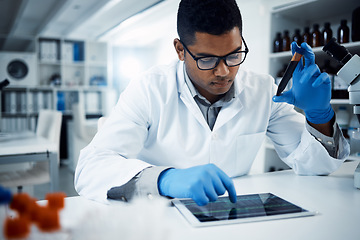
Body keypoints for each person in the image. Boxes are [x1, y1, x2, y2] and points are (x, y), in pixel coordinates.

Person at [74, 0, 350, 205]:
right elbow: (91, 168)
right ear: (181, 50)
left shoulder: (264, 90)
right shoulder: (149, 88)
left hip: (231, 218)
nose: (224, 71)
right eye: (206, 59)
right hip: (161, 217)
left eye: (233, 55)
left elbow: (316, 167)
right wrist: (164, 179)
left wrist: (318, 114)